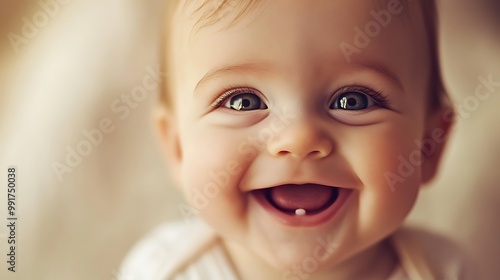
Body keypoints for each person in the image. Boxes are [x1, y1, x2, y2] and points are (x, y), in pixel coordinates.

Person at [120, 0, 477, 279]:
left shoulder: (446, 271)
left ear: (429, 145)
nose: (299, 137)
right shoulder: (161, 269)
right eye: (244, 101)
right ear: (177, 148)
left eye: (353, 101)